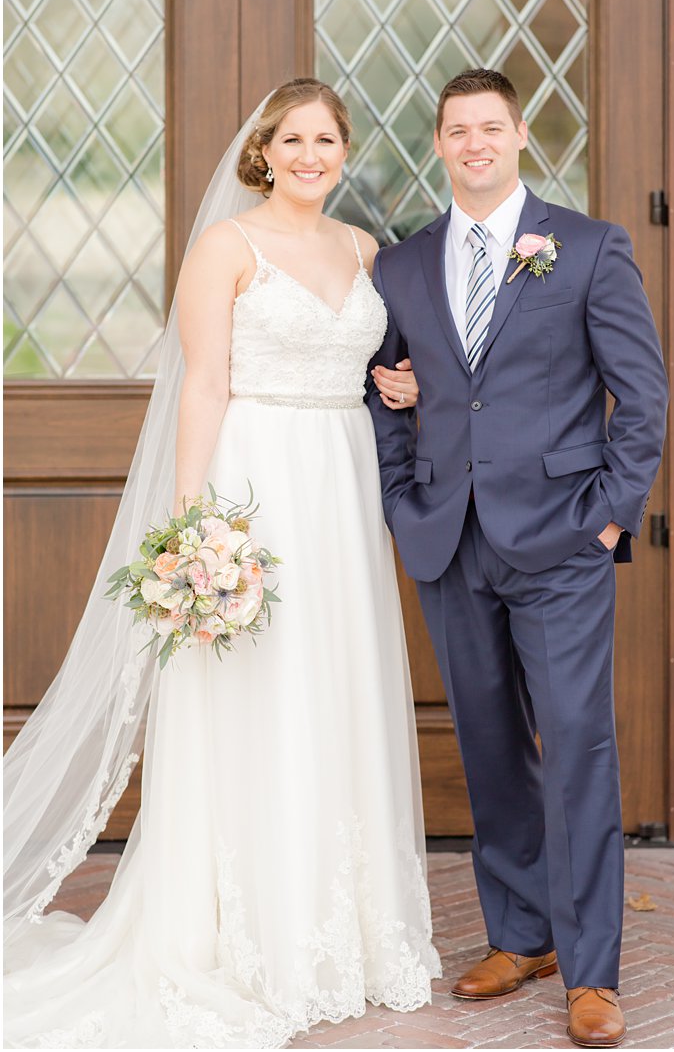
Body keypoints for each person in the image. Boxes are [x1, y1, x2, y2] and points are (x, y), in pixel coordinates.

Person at [3, 79, 435, 1048]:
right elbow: (201, 385)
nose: (311, 154)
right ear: (263, 153)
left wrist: (399, 384)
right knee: (258, 689)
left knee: (336, 687)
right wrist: (191, 522)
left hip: (341, 481)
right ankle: (250, 934)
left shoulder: (365, 250)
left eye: (327, 138)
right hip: (257, 482)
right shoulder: (225, 248)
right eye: (294, 139)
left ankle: (344, 928)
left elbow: (383, 367)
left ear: (342, 148)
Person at [365, 68, 668, 1049]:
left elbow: (641, 394)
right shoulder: (403, 266)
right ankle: (519, 932)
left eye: (490, 127)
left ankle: (591, 971)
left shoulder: (584, 246)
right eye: (457, 130)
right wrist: (402, 495)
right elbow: (383, 388)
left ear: (520, 134)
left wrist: (610, 517)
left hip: (563, 539)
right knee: (487, 742)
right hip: (450, 536)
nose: (474, 143)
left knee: (575, 745)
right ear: (440, 144)